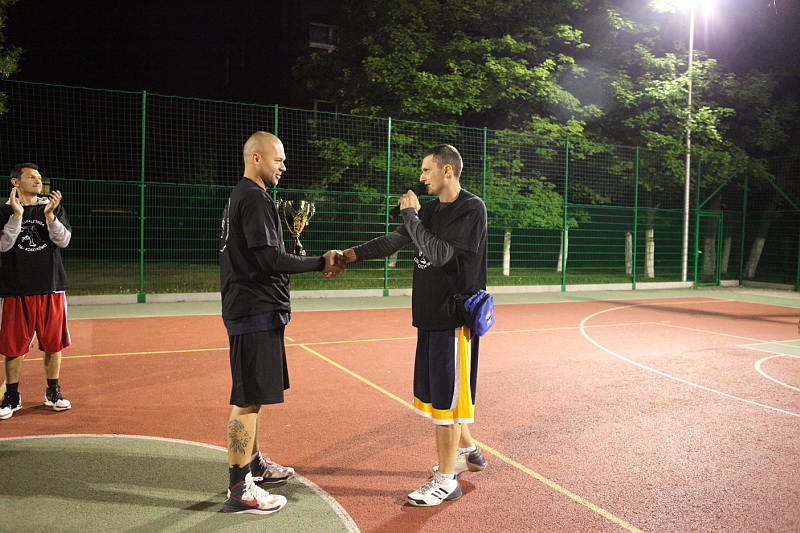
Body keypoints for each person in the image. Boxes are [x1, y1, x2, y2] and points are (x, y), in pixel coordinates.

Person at [343, 144, 488, 506]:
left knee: (447, 403)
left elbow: (439, 254)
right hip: (429, 316)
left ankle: (446, 480)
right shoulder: (432, 210)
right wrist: (350, 255)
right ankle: (469, 452)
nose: (421, 178)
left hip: (453, 320)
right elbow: (395, 241)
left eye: (426, 170)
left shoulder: (471, 208)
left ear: (447, 171)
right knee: (441, 396)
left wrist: (411, 215)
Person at [220, 131, 346, 515]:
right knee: (247, 399)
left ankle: (253, 464)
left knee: (256, 394)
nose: (283, 167)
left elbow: (265, 255)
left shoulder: (247, 196)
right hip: (253, 309)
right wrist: (319, 262)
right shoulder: (254, 198)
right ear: (256, 158)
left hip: (259, 308)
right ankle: (240, 489)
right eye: (278, 160)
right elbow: (269, 260)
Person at [0, 163, 72, 421]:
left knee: (53, 343)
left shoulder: (52, 207)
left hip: (51, 285)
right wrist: (16, 216)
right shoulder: (4, 210)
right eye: (31, 177)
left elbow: (63, 240)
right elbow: (3, 245)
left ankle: (53, 391)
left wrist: (50, 216)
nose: (38, 180)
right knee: (13, 346)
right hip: (15, 286)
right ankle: (12, 396)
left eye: (39, 177)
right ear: (15, 182)